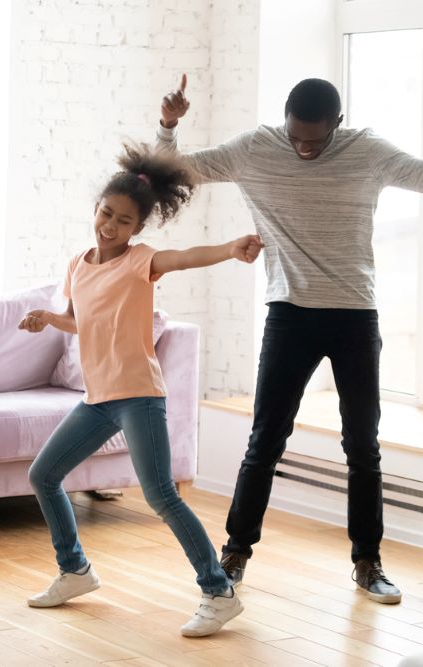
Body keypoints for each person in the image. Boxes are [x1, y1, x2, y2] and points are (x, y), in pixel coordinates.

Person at [156, 75, 423, 604]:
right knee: (264, 440)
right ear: (284, 119)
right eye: (296, 136)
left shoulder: (366, 150)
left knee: (362, 446)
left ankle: (368, 563)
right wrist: (168, 126)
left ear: (337, 126)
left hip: (354, 315)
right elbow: (176, 171)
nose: (304, 148)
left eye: (315, 140)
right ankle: (234, 552)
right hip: (289, 313)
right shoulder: (255, 148)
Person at [20, 142, 263, 638]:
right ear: (95, 210)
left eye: (123, 221)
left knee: (161, 497)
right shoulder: (78, 263)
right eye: (106, 214)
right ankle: (75, 571)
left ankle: (219, 591)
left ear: (138, 229)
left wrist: (227, 249)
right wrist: (48, 319)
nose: (110, 226)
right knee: (44, 475)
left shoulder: (140, 261)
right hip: (99, 399)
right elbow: (80, 321)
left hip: (138, 396)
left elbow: (185, 257)